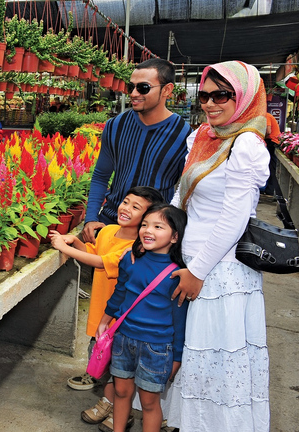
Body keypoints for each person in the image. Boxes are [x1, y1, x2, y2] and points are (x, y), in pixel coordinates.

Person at [166, 61, 270, 431]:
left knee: (215, 364)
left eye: (221, 95)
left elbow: (234, 218)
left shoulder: (246, 145)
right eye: (204, 95)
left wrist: (197, 271)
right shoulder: (205, 136)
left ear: (243, 97)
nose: (210, 104)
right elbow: (183, 194)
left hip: (219, 272)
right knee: (191, 359)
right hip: (190, 261)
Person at [51, 186, 165, 429]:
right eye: (125, 202)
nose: (126, 208)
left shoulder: (137, 246)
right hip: (101, 313)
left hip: (119, 316)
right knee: (108, 365)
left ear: (146, 218)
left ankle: (116, 407)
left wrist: (64, 247)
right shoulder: (109, 231)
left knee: (120, 368)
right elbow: (93, 251)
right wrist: (74, 242)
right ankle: (109, 402)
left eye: (136, 207)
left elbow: (103, 262)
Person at [100, 204, 189, 432]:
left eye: (158, 226)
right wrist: (104, 321)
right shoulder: (130, 259)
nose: (148, 231)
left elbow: (180, 319)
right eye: (145, 225)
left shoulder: (178, 274)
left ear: (175, 236)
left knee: (149, 402)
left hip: (157, 348)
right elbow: (119, 293)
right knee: (121, 391)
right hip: (123, 339)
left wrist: (177, 356)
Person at [83, 59, 192, 244]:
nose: (133, 94)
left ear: (166, 90)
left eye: (143, 88)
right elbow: (101, 175)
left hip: (153, 234)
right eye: (130, 87)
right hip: (112, 225)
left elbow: (185, 190)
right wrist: (92, 217)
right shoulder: (116, 125)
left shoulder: (184, 135)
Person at [262, 111, 281, 197]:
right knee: (271, 166)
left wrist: (260, 136)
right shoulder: (267, 115)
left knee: (270, 166)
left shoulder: (266, 116)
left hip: (272, 142)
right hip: (273, 142)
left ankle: (270, 190)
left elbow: (268, 131)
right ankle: (269, 189)